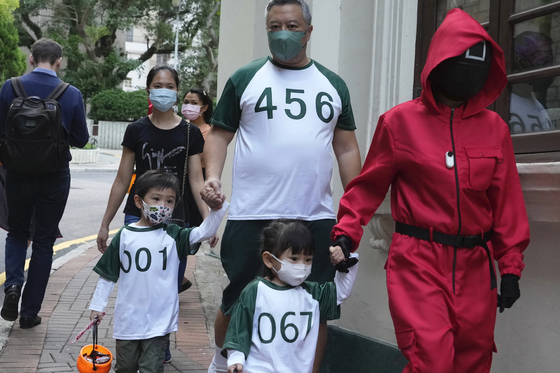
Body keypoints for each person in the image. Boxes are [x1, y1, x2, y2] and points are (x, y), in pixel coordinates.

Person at [331, 9, 530, 373]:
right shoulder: (399, 123)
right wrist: (346, 234)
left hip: (476, 266)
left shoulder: (495, 129)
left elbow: (506, 203)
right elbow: (367, 187)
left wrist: (511, 266)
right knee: (431, 361)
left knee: (474, 359)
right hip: (418, 261)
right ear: (439, 62)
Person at [202, 1, 362, 372]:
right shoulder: (245, 78)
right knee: (238, 299)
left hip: (315, 217)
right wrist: (212, 176)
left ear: (308, 30)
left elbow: (347, 147)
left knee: (316, 306)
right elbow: (220, 136)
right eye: (273, 27)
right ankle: (221, 363)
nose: (282, 33)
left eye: (290, 25)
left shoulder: (333, 84)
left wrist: (357, 208)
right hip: (253, 215)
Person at [89, 170, 228, 373]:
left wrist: (217, 209)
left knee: (151, 368)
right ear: (138, 201)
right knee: (125, 367)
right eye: (156, 198)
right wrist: (97, 306)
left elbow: (203, 232)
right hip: (128, 319)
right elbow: (108, 274)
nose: (163, 206)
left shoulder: (174, 235)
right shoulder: (125, 236)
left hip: (159, 320)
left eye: (170, 201)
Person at [0, 38, 89, 328]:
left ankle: (12, 285)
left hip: (16, 174)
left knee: (16, 232)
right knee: (43, 242)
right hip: (54, 176)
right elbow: (81, 139)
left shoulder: (9, 87)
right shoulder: (71, 93)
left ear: (30, 59)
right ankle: (29, 314)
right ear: (58, 62)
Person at [223, 220, 358, 373]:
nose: (302, 265)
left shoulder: (314, 294)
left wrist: (346, 261)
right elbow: (239, 329)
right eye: (294, 258)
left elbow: (342, 291)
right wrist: (235, 358)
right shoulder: (255, 291)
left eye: (308, 260)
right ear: (269, 259)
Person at [181, 88, 214, 177]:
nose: (188, 106)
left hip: (195, 178)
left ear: (204, 107)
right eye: (186, 102)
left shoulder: (208, 133)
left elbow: (196, 160)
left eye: (194, 103)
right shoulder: (181, 127)